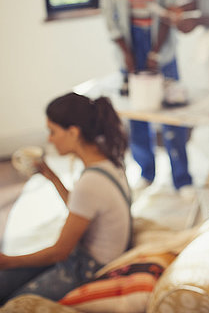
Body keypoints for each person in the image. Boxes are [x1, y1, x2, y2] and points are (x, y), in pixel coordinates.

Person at [0, 92, 131, 303]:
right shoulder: (109, 163)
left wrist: (7, 261)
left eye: (52, 131)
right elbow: (82, 207)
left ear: (73, 132)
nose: (49, 139)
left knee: (17, 301)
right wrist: (52, 177)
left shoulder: (89, 183)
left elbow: (59, 252)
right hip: (89, 256)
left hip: (87, 267)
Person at [99, 0, 193, 195]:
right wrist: (129, 56)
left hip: (160, 44)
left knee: (172, 110)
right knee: (137, 111)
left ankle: (182, 178)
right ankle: (146, 172)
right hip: (129, 44)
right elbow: (110, 16)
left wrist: (154, 53)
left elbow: (169, 10)